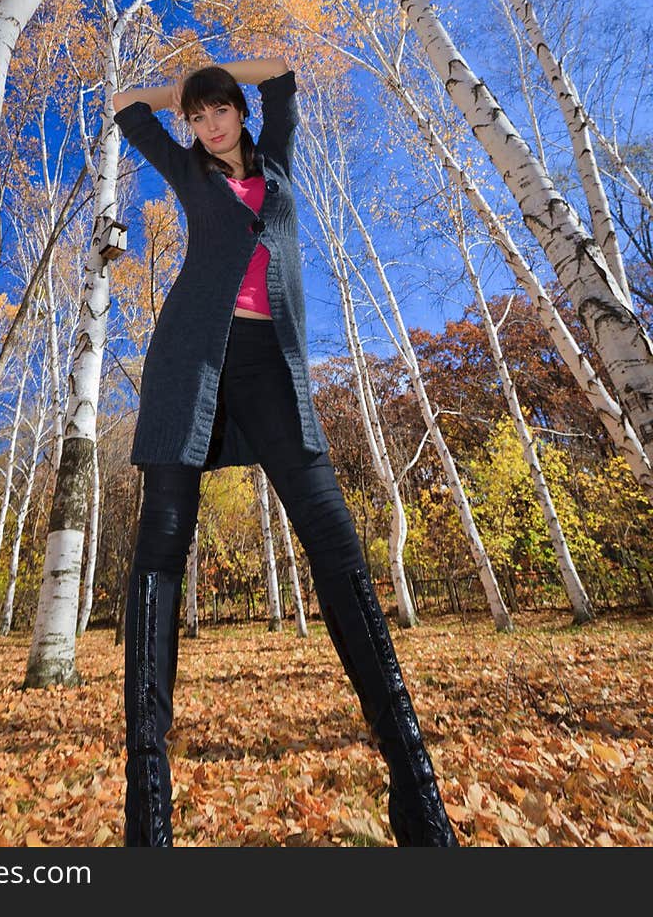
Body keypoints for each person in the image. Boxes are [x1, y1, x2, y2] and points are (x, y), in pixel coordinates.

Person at [112, 57, 458, 848]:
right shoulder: (186, 169)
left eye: (218, 111)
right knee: (160, 553)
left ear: (238, 108)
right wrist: (179, 94)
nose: (208, 126)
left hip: (276, 364)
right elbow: (125, 108)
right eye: (197, 118)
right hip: (190, 360)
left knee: (335, 544)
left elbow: (283, 74)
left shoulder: (280, 159)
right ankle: (148, 816)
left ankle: (416, 793)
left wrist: (207, 76)